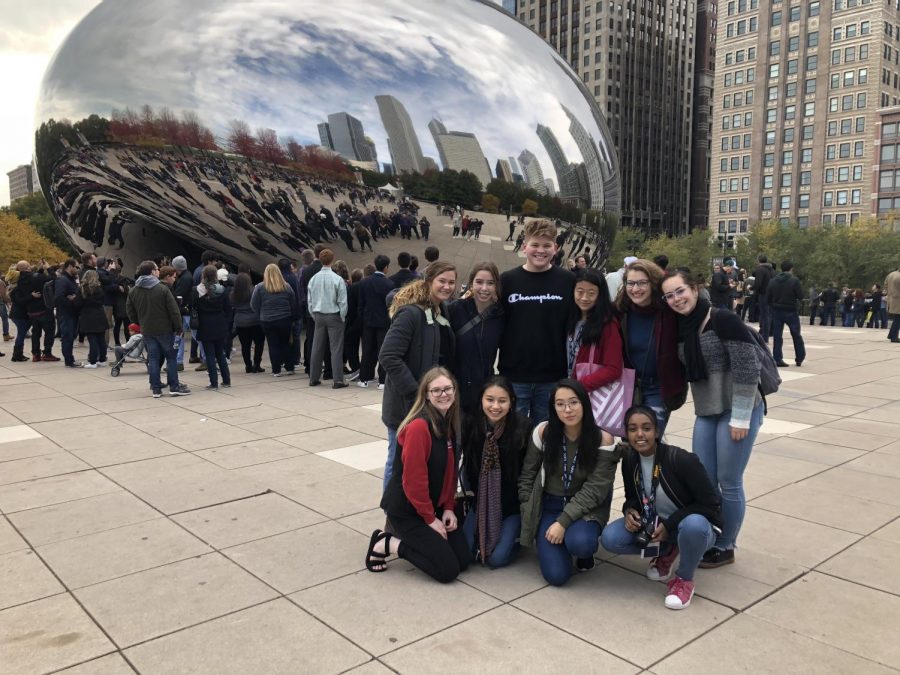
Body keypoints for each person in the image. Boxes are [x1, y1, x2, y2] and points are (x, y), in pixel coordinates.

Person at [661, 269, 763, 568]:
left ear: (694, 288)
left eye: (680, 291)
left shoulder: (722, 319)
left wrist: (742, 418)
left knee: (729, 481)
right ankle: (708, 535)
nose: (676, 299)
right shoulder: (680, 327)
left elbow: (747, 366)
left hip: (737, 409)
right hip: (706, 410)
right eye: (669, 295)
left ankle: (726, 544)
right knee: (704, 480)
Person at [600, 406, 722, 610]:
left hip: (697, 527)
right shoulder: (630, 459)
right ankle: (668, 549)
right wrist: (629, 511)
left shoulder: (681, 460)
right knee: (610, 538)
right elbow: (632, 498)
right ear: (626, 433)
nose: (639, 434)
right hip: (657, 524)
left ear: (657, 432)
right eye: (633, 429)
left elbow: (711, 504)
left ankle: (684, 580)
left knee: (693, 526)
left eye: (646, 428)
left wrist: (671, 525)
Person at [366, 367, 472, 582]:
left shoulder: (449, 422)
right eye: (437, 390)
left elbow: (451, 472)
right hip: (408, 510)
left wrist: (449, 508)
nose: (444, 394)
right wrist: (430, 519)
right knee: (447, 571)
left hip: (434, 505)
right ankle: (387, 542)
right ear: (426, 394)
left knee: (464, 561)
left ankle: (424, 538)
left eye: (448, 389)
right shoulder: (418, 427)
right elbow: (413, 481)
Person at [518, 379, 618, 586]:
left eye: (573, 402)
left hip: (585, 508)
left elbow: (596, 490)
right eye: (560, 404)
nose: (568, 409)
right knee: (557, 576)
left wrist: (563, 522)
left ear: (584, 403)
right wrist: (529, 509)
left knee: (580, 543)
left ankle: (580, 547)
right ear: (553, 408)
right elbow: (527, 475)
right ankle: (559, 541)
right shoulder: (544, 432)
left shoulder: (603, 438)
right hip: (550, 505)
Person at [379, 261, 457, 492]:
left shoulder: (437, 312)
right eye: (441, 281)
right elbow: (389, 356)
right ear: (428, 281)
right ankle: (391, 520)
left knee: (415, 464)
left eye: (451, 282)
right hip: (406, 406)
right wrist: (416, 394)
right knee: (397, 464)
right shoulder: (411, 314)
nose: (447, 286)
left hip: (426, 406)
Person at [499, 219, 575, 423]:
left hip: (553, 377)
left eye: (546, 245)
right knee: (514, 438)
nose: (540, 251)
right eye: (535, 245)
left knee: (546, 437)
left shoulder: (568, 281)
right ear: (524, 246)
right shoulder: (508, 280)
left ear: (555, 248)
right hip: (514, 375)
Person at [460, 377, 532, 567]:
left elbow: (527, 475)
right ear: (481, 400)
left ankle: (516, 538)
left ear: (511, 402)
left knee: (496, 559)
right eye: (490, 399)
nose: (495, 406)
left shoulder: (523, 428)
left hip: (511, 507)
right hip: (480, 502)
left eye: (502, 400)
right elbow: (467, 469)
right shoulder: (471, 426)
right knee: (465, 553)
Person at [616, 259, 687, 436]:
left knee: (649, 441)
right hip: (628, 387)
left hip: (659, 387)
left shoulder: (669, 311)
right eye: (630, 283)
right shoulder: (620, 312)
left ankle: (655, 465)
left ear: (653, 283)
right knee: (631, 443)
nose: (635, 288)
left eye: (642, 283)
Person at [126, 260, 191, 397]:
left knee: (154, 358)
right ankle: (174, 386)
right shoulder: (162, 289)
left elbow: (130, 311)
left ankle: (156, 388)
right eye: (156, 269)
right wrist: (178, 327)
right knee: (171, 357)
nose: (158, 271)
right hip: (165, 329)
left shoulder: (133, 290)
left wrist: (139, 322)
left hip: (147, 329)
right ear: (152, 272)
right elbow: (173, 311)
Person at [448, 262, 504, 413]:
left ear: (496, 285)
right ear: (471, 283)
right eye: (479, 282)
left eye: (490, 283)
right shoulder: (455, 309)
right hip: (453, 391)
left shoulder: (501, 315)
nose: (484, 288)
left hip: (483, 392)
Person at [568, 268, 623, 401]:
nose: (584, 298)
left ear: (600, 295)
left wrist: (578, 386)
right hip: (568, 391)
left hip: (589, 394)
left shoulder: (607, 324)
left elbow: (613, 369)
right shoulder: (570, 319)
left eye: (591, 293)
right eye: (579, 292)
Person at [307, 249, 348, 389]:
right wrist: (342, 316)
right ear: (332, 260)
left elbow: (310, 300)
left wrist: (313, 314)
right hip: (334, 314)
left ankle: (313, 377)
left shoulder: (314, 279)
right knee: (336, 348)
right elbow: (342, 301)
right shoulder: (337, 279)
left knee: (317, 346)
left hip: (318, 315)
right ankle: (338, 379)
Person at [251, 263, 298, 377]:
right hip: (284, 319)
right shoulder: (286, 286)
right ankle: (289, 367)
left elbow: (253, 304)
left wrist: (260, 314)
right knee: (286, 343)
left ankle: (276, 369)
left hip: (267, 320)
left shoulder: (260, 287)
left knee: (273, 344)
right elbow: (293, 303)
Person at [357, 254, 394, 389]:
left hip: (368, 321)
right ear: (385, 267)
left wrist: (363, 318)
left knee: (367, 350)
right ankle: (382, 381)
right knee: (382, 350)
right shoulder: (389, 284)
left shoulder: (364, 282)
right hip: (384, 322)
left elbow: (360, 304)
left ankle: (364, 378)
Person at [192, 265, 232, 390]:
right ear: (215, 276)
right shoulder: (223, 290)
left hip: (205, 324)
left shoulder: (196, 290)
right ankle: (226, 380)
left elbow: (193, 307)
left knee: (209, 355)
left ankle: (213, 382)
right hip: (219, 323)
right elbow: (228, 310)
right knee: (220, 353)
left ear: (203, 276)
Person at [766, 260, 806, 368]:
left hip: (777, 311)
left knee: (777, 336)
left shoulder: (772, 281)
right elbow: (800, 295)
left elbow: (768, 298)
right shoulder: (794, 280)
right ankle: (799, 358)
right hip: (791, 311)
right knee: (796, 334)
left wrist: (773, 305)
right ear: (791, 269)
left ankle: (777, 358)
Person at [231, 272, 265, 373]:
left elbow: (232, 305)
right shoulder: (254, 290)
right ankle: (257, 364)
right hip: (255, 321)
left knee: (245, 345)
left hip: (240, 321)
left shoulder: (233, 294)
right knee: (259, 343)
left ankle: (248, 365)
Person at [53, 259, 81, 367]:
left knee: (70, 336)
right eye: (76, 267)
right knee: (67, 337)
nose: (77, 269)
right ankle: (69, 360)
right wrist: (72, 301)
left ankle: (69, 359)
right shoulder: (63, 280)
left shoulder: (69, 279)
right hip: (66, 313)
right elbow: (59, 297)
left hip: (71, 313)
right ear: (70, 266)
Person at [78, 270, 108, 368]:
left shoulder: (83, 289)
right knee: (101, 339)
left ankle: (93, 361)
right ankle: (102, 359)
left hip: (88, 316)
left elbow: (79, 303)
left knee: (92, 340)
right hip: (99, 315)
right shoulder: (99, 289)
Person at [752, 254, 774, 340]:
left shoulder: (760, 270)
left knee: (764, 315)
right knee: (768, 314)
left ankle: (764, 336)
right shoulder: (770, 269)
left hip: (763, 294)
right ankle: (766, 333)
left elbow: (758, 283)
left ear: (758, 261)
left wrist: (751, 288)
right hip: (771, 294)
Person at [886, 264, 900, 343]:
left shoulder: (891, 274)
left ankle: (891, 335)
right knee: (898, 319)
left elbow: (885, 285)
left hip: (891, 298)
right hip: (898, 300)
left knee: (896, 318)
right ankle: (894, 337)